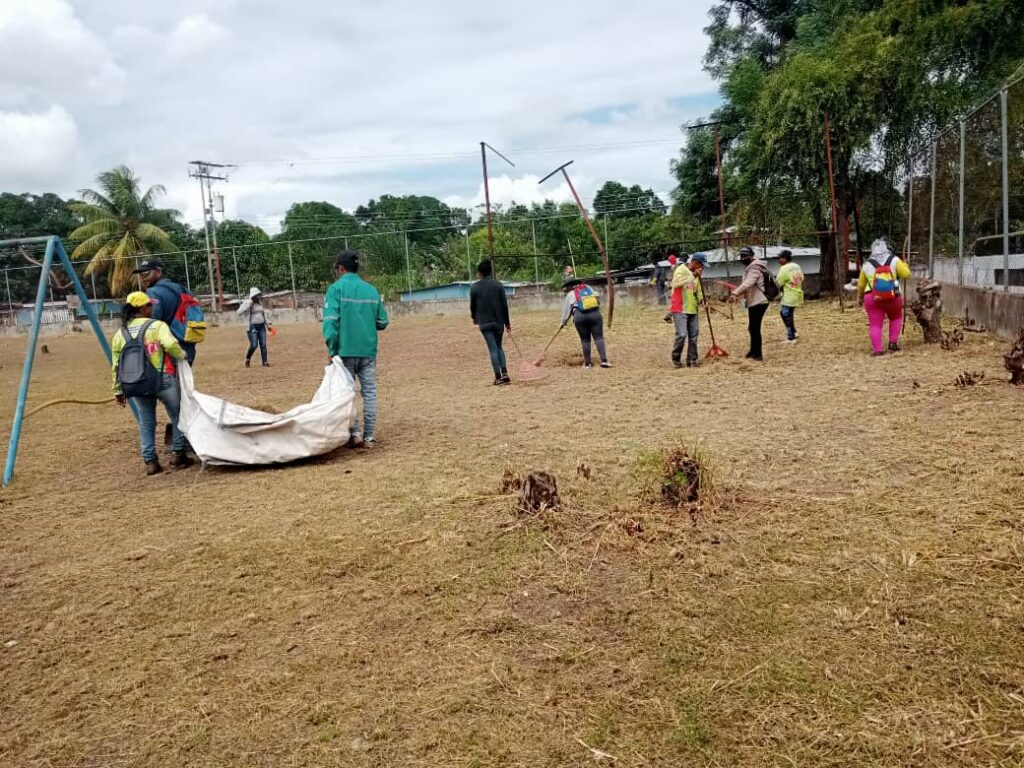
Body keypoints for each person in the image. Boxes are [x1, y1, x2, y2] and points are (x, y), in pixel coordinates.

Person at [111, 291, 192, 475]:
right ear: (141, 308)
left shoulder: (120, 334)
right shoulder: (157, 326)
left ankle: (150, 461)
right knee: (178, 414)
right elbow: (170, 345)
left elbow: (116, 365)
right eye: (149, 305)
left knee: (146, 421)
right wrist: (182, 356)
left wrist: (118, 391)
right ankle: (178, 454)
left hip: (136, 383)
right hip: (162, 379)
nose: (152, 307)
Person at [322, 250, 389, 447]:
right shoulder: (371, 290)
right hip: (368, 351)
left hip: (344, 351)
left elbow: (331, 322)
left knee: (347, 392)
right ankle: (369, 436)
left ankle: (355, 433)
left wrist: (331, 349)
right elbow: (383, 321)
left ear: (341, 269)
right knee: (369, 392)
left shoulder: (335, 290)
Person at [134, 258, 198, 365]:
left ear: (158, 272)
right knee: (182, 380)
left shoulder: (153, 293)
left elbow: (152, 323)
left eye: (146, 273)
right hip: (187, 344)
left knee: (168, 381)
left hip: (169, 348)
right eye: (140, 274)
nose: (142, 278)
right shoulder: (180, 288)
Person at [858, 238, 911, 356]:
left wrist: (860, 297)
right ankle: (893, 344)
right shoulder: (895, 260)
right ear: (887, 248)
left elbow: (861, 285)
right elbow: (906, 274)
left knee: (875, 324)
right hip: (894, 296)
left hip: (872, 298)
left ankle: (878, 350)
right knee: (896, 318)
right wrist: (905, 265)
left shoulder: (867, 264)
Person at [469, 260, 512, 385]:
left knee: (492, 348)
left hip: (484, 323)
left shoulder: (474, 287)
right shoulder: (498, 285)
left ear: (479, 273)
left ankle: (498, 377)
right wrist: (507, 323)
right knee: (499, 347)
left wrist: (474, 317)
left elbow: (473, 306)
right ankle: (505, 373)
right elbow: (504, 305)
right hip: (498, 322)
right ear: (490, 271)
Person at [560, 278, 611, 369]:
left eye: (566, 288)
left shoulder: (570, 294)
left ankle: (588, 364)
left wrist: (563, 323)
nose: (565, 290)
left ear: (569, 286)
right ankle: (604, 361)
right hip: (595, 314)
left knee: (585, 340)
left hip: (580, 316)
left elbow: (566, 312)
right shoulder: (588, 288)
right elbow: (597, 300)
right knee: (599, 337)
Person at [729, 245, 770, 361]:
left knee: (755, 328)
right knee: (752, 328)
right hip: (755, 301)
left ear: (751, 256)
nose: (743, 258)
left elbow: (748, 283)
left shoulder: (755, 268)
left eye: (745, 256)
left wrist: (735, 293)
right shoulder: (752, 266)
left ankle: (758, 354)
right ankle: (753, 351)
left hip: (759, 301)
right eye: (741, 256)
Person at [670, 253, 707, 368]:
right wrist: (692, 275)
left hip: (692, 308)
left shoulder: (697, 275)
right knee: (682, 334)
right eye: (701, 265)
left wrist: (702, 300)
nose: (702, 268)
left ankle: (692, 360)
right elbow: (675, 283)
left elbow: (698, 290)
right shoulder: (681, 269)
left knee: (694, 336)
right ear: (695, 263)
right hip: (680, 308)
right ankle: (676, 358)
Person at [237, 287, 272, 368]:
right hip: (252, 326)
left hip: (261, 326)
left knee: (263, 344)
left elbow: (263, 315)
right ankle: (247, 359)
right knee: (254, 345)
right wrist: (248, 304)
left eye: (259, 295)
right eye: (258, 295)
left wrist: (268, 325)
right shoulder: (248, 303)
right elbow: (239, 312)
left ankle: (265, 362)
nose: (259, 296)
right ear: (253, 296)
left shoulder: (260, 303)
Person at [776, 250, 804, 344]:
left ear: (785, 258)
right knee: (788, 314)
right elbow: (802, 278)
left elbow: (778, 283)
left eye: (780, 258)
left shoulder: (784, 268)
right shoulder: (796, 266)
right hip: (798, 293)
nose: (779, 260)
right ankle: (794, 332)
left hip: (789, 295)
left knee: (785, 314)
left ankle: (791, 338)